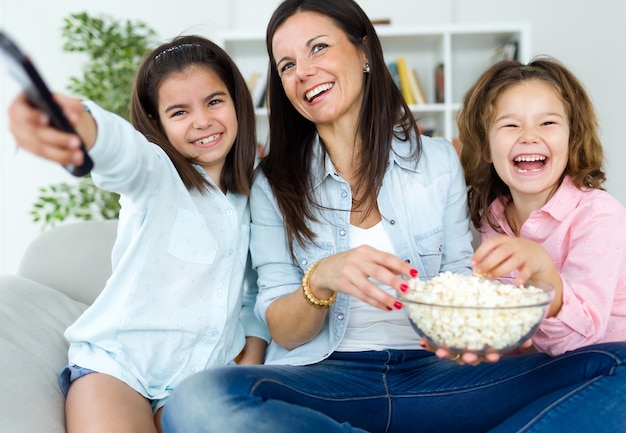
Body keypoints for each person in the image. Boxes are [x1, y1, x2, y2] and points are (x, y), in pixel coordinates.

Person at [159, 1, 626, 432]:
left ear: (364, 51)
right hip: (329, 380)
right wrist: (322, 279)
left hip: (440, 379)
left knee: (618, 366)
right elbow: (282, 327)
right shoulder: (272, 182)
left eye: (318, 48)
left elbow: (464, 280)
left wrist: (465, 332)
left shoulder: (440, 161)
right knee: (197, 399)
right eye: (287, 65)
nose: (304, 73)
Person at [7, 35, 269, 433]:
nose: (202, 121)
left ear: (237, 103)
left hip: (200, 380)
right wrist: (77, 120)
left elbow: (257, 291)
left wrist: (252, 354)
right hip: (120, 369)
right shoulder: (154, 172)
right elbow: (118, 150)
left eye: (214, 101)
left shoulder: (257, 192)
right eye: (179, 111)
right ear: (157, 123)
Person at [457, 57, 626, 356]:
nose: (529, 136)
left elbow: (577, 341)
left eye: (547, 123)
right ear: (486, 148)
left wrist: (543, 273)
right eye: (510, 125)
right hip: (542, 368)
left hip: (608, 365)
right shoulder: (494, 219)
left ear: (572, 137)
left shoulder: (600, 217)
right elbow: (514, 327)